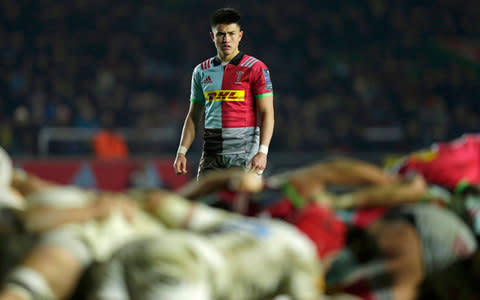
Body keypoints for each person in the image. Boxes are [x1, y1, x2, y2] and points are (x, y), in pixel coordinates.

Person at [173, 7, 275, 178]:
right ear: (212, 37)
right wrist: (181, 151)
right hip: (212, 152)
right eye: (221, 34)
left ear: (240, 36)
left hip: (245, 152)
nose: (226, 39)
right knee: (205, 202)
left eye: (231, 33)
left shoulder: (256, 68)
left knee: (242, 202)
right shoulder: (201, 71)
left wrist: (262, 152)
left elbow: (267, 113)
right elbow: (193, 116)